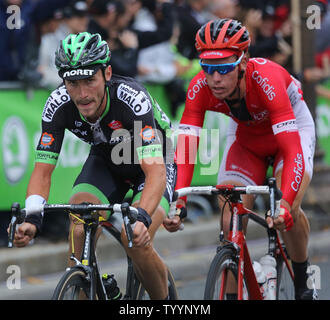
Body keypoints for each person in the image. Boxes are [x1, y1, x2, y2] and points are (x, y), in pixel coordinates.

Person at [9, 32, 176, 300]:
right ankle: (86, 288)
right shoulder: (57, 105)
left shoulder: (132, 99)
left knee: (132, 237)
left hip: (154, 162)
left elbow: (155, 170)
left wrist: (142, 216)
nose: (83, 94)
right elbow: (42, 171)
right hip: (108, 159)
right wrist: (32, 216)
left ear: (107, 73)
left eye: (89, 80)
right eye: (73, 83)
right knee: (78, 222)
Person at [166, 18, 317, 300]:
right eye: (208, 69)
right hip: (247, 138)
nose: (215, 78)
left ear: (243, 61)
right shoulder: (199, 88)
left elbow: (292, 148)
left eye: (223, 68)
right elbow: (186, 148)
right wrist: (179, 201)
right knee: (228, 217)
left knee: (289, 209)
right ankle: (234, 291)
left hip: (291, 132)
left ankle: (302, 284)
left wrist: (284, 203)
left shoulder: (267, 79)